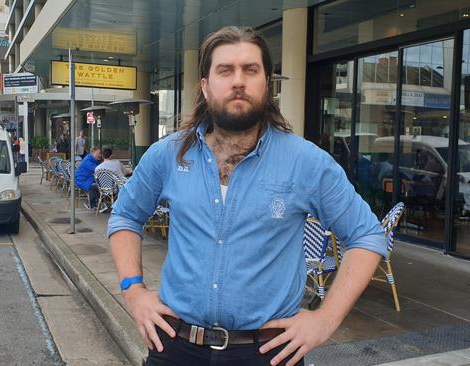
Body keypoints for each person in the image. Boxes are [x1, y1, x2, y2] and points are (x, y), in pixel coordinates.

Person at [107, 26, 387, 366]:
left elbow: (367, 235)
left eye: (250, 70)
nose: (238, 81)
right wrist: (133, 290)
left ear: (266, 85)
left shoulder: (305, 162)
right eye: (225, 70)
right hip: (175, 346)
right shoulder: (167, 155)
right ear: (206, 87)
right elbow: (125, 215)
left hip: (267, 352)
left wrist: (325, 319)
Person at [75, 147, 105, 211]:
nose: (101, 155)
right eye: (99, 153)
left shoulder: (95, 160)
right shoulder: (88, 160)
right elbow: (98, 170)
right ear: (93, 153)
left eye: (101, 154)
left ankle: (100, 202)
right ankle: (92, 204)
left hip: (88, 179)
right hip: (82, 181)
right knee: (96, 186)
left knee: (102, 184)